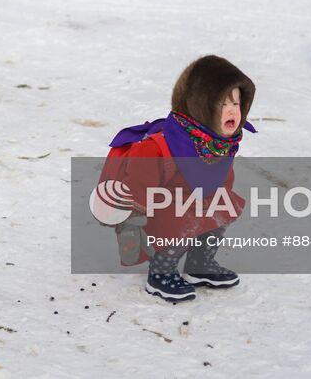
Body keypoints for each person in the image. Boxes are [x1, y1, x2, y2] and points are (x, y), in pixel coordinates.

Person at [95, 55, 257, 302]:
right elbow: (140, 183)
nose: (232, 110)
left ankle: (199, 264)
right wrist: (134, 219)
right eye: (222, 104)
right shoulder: (159, 146)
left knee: (220, 211)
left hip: (197, 199)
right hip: (160, 208)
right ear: (199, 104)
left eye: (236, 102)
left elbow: (223, 175)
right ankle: (161, 273)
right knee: (181, 222)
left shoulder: (219, 144)